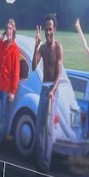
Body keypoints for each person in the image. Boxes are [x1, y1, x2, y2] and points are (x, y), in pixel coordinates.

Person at [32, 14, 64, 148]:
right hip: (44, 89)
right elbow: (33, 66)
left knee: (48, 127)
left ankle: (45, 163)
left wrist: (53, 90)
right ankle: (39, 161)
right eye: (46, 29)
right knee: (39, 124)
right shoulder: (43, 48)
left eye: (50, 29)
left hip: (53, 90)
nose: (48, 32)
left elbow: (59, 74)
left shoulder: (58, 48)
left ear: (54, 29)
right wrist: (36, 46)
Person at [0, 20, 22, 147]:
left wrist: (13, 91)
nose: (8, 31)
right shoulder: (3, 44)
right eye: (7, 28)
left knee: (3, 116)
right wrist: (0, 38)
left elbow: (16, 72)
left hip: (6, 88)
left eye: (10, 29)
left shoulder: (15, 50)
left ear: (13, 31)